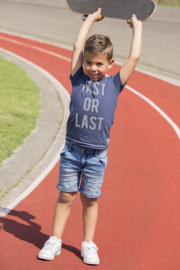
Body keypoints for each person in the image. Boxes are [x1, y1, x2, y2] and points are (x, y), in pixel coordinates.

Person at [38, 8, 142, 265]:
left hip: (96, 156)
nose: (92, 68)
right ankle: (55, 240)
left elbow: (135, 56)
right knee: (65, 196)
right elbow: (76, 46)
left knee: (90, 200)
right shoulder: (77, 79)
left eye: (98, 63)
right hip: (72, 151)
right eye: (88, 62)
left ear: (110, 64)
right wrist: (91, 20)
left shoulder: (115, 84)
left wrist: (137, 28)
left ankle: (88, 244)